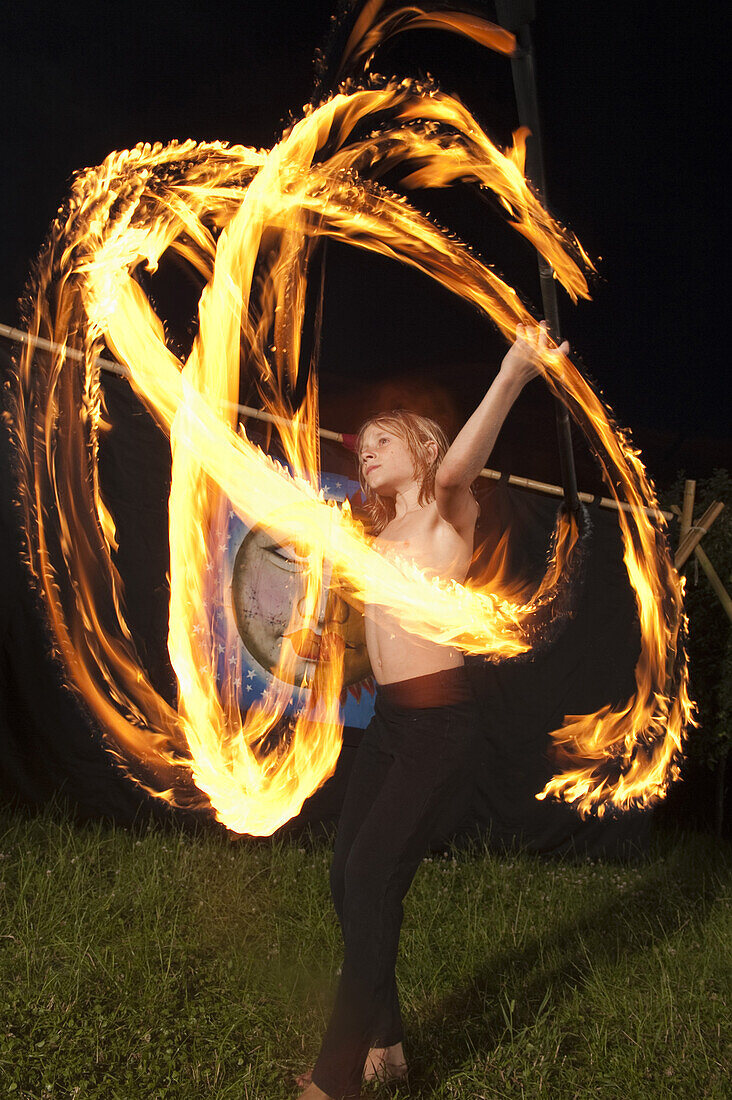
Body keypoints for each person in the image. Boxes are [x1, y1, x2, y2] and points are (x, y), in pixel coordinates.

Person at [296, 322, 568, 1100]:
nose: (366, 451)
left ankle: (335, 1080)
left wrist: (515, 369)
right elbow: (376, 632)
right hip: (389, 725)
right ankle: (387, 1045)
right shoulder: (381, 539)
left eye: (384, 440)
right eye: (363, 445)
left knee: (374, 873)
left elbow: (459, 467)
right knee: (349, 881)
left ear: (424, 447)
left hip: (437, 726)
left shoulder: (447, 512)